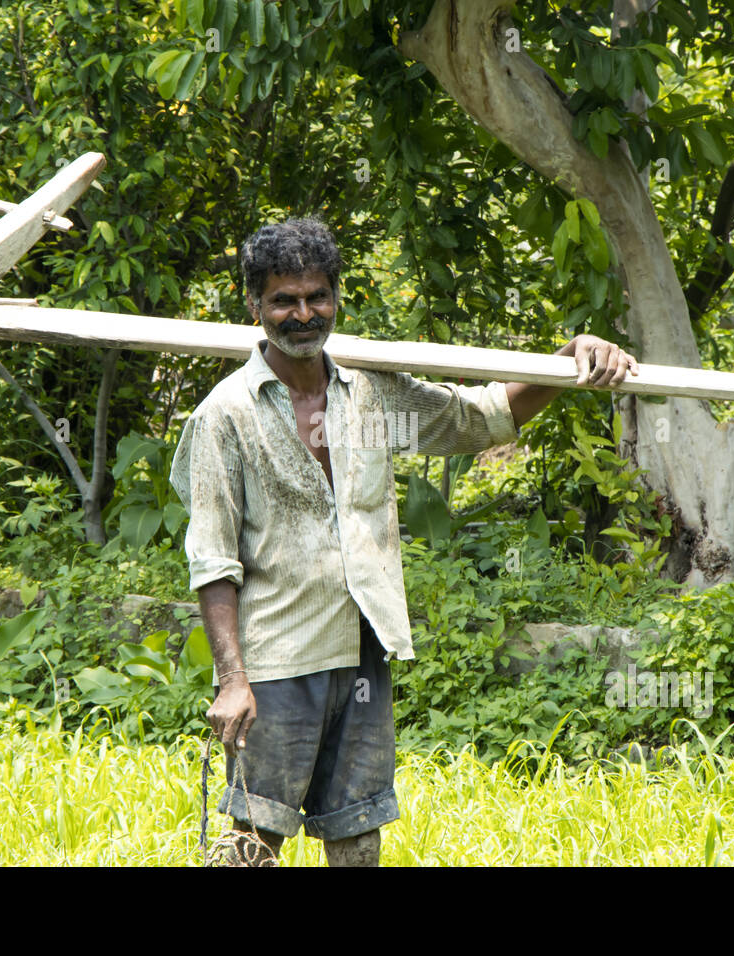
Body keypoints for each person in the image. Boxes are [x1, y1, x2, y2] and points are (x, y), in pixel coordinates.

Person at [168, 217, 638, 866]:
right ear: (254, 306)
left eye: (316, 296)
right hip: (277, 662)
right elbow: (213, 558)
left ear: (336, 297)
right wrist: (231, 680)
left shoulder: (371, 389)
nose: (302, 314)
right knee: (253, 838)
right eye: (283, 300)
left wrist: (570, 358)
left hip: (362, 647)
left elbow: (482, 419)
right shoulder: (226, 414)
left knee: (358, 834)